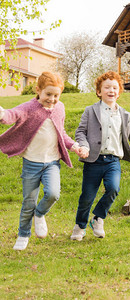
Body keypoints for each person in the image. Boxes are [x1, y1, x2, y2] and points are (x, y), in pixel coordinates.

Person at [0, 72, 84, 250]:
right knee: (28, 201)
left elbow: (61, 133)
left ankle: (39, 214)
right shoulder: (29, 107)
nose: (52, 99)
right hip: (31, 163)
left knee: (53, 193)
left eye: (56, 95)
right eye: (48, 94)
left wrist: (74, 146)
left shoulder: (60, 108)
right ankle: (23, 235)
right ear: (38, 90)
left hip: (52, 162)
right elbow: (12, 115)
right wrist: (2, 113)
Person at [70, 71, 130, 241]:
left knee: (113, 188)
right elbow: (80, 132)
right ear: (99, 91)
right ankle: (80, 225)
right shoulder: (90, 111)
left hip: (113, 161)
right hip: (93, 161)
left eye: (115, 87)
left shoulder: (125, 115)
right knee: (87, 197)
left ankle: (98, 218)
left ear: (119, 92)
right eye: (106, 87)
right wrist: (83, 146)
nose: (111, 90)